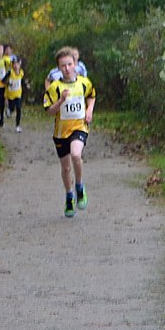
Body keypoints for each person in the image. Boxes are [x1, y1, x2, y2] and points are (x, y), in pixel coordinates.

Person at [43, 47, 96, 218]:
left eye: (69, 64)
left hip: (79, 127)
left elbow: (92, 95)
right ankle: (69, 196)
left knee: (76, 154)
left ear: (75, 64)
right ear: (58, 68)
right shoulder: (54, 88)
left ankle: (79, 187)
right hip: (60, 133)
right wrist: (61, 101)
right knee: (65, 168)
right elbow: (49, 111)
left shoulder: (83, 83)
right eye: (63, 66)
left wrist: (89, 110)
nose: (67, 68)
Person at [5, 56, 27, 132]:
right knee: (12, 109)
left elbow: (23, 81)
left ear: (20, 64)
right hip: (10, 95)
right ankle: (8, 111)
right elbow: (3, 80)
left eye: (17, 64)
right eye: (14, 64)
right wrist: (8, 83)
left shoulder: (21, 73)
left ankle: (17, 126)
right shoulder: (10, 72)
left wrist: (27, 84)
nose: (15, 66)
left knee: (18, 108)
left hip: (18, 94)